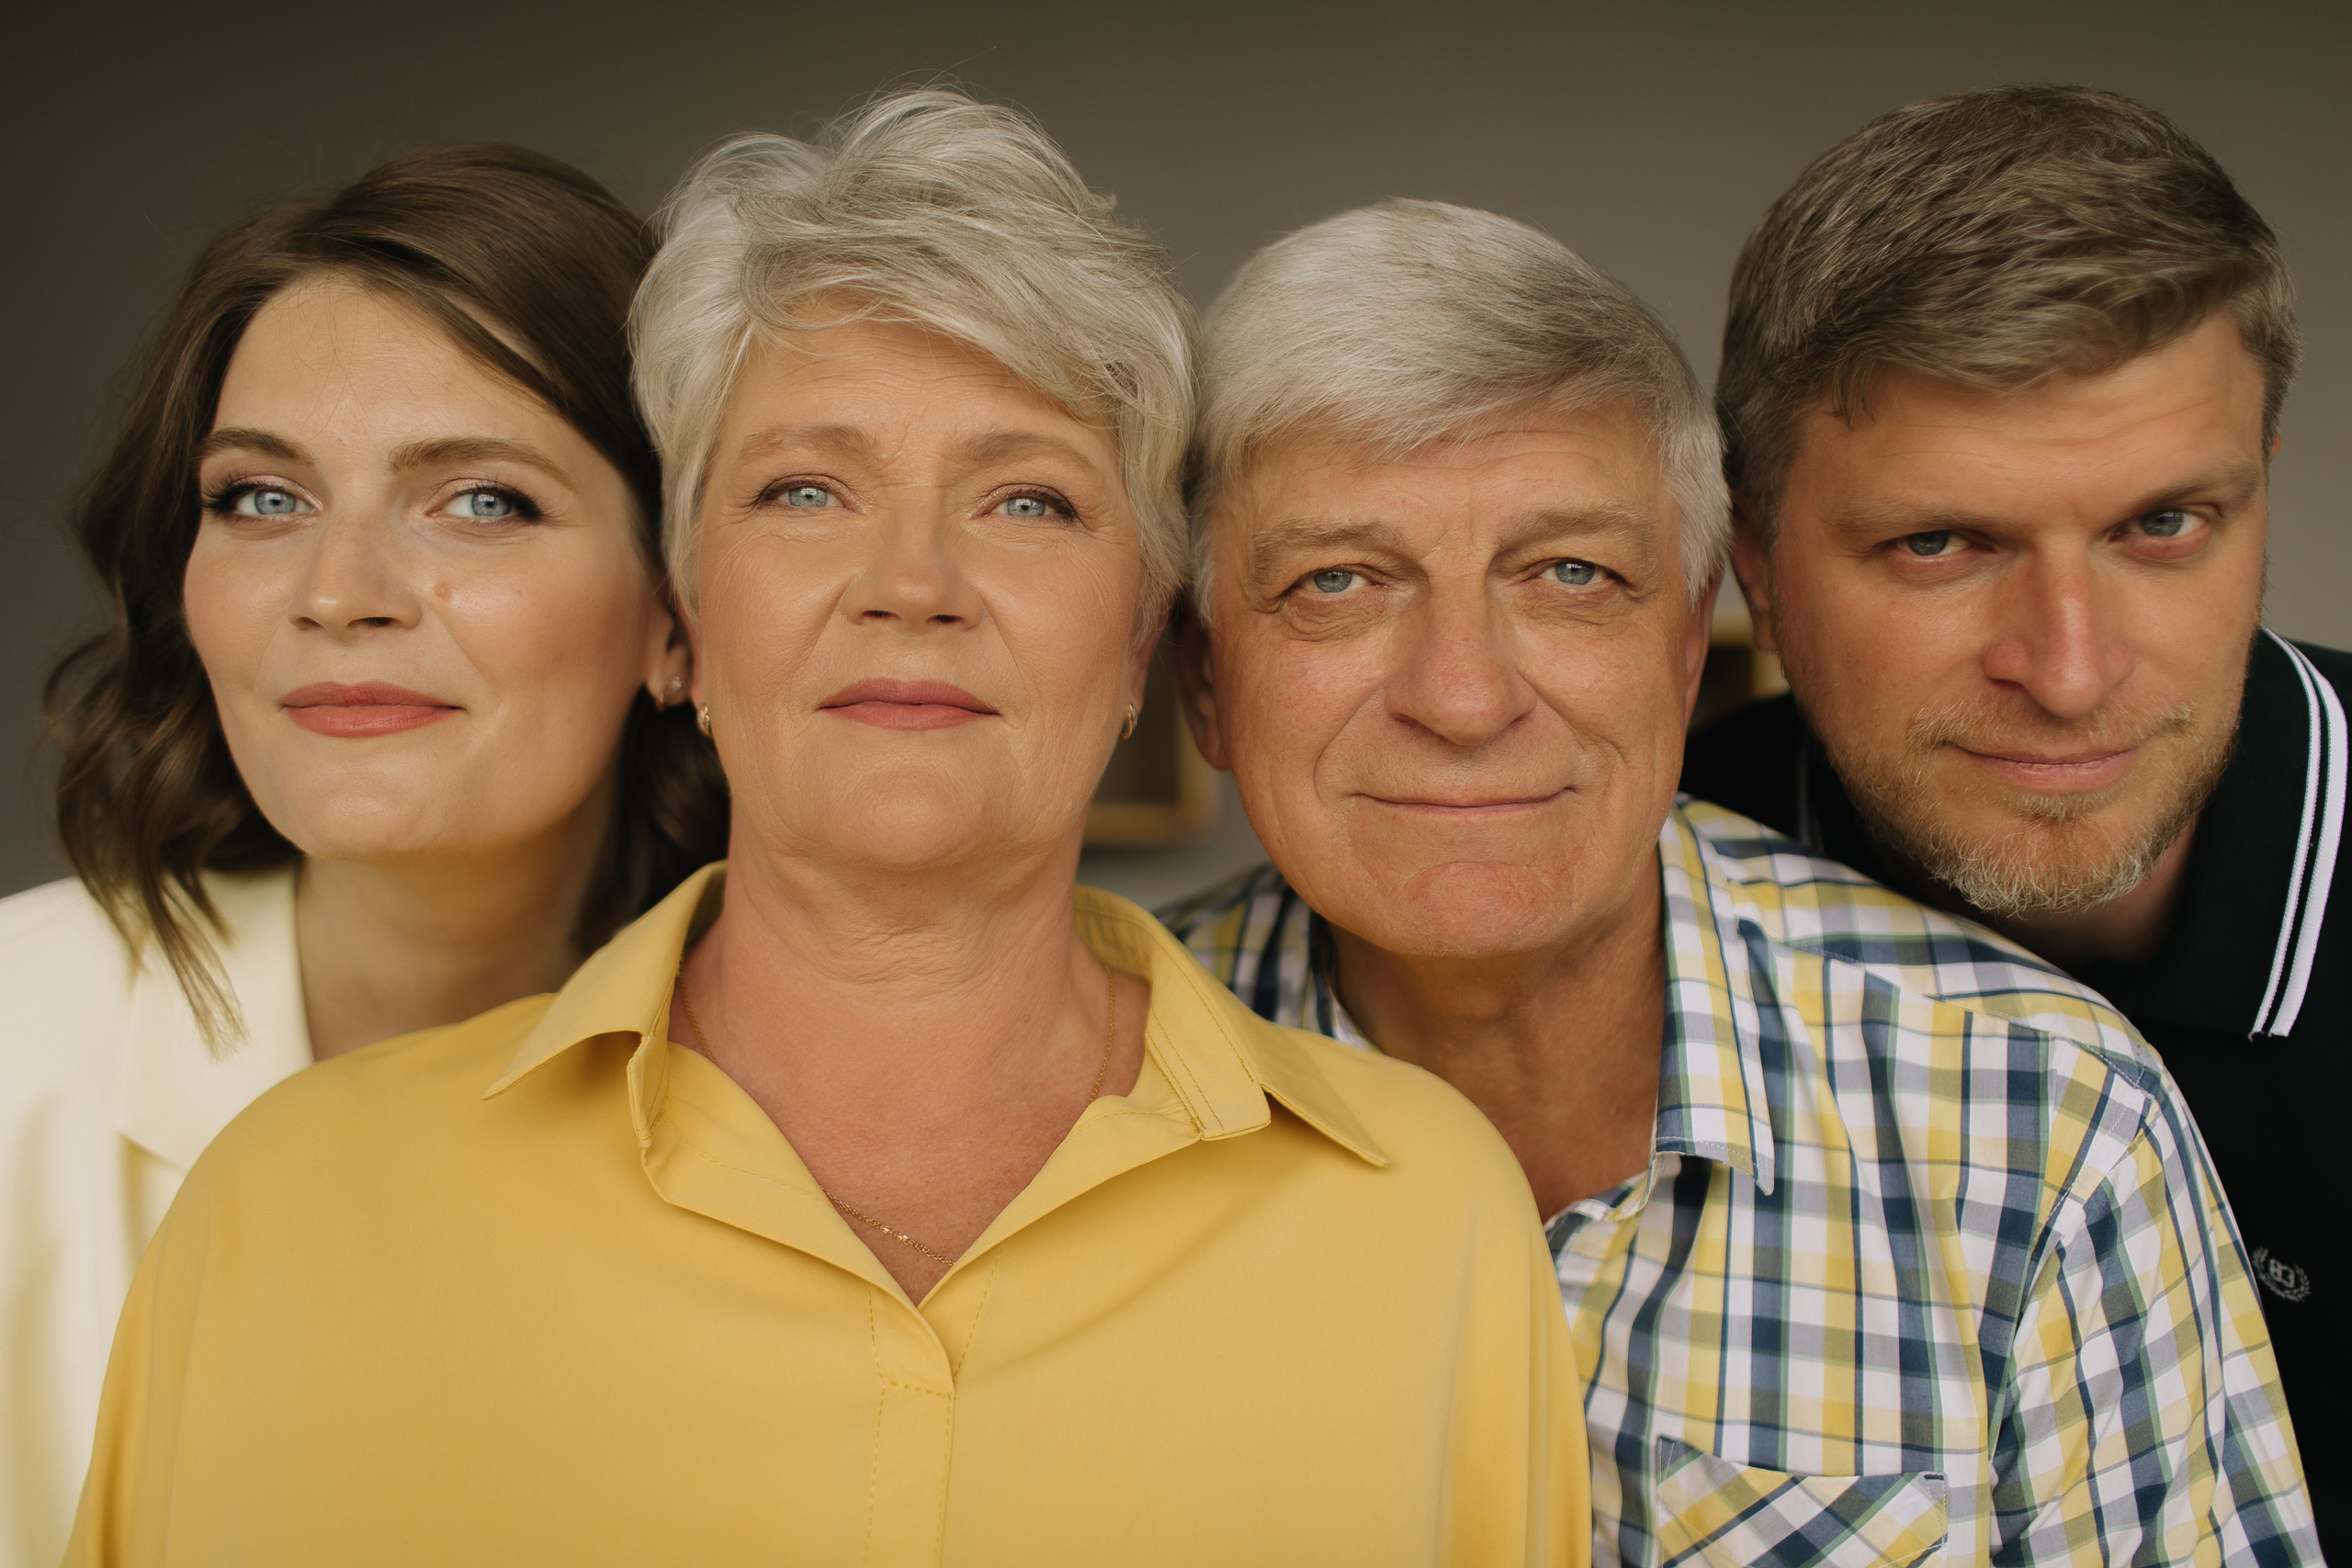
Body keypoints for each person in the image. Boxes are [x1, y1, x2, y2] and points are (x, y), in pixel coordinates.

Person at [66, 91, 1586, 1566]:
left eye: (1029, 503)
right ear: (682, 628)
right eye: (804, 489)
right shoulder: (286, 1209)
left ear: (1138, 645)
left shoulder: (1428, 1218)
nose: (911, 581)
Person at [1159, 197, 2315, 1562]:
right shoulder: (1083, 1082)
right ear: (1207, 683)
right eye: (1338, 583)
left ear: (1690, 651)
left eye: (1571, 572)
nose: (1464, 698)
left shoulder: (2046, 1121)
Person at [0, 145, 726, 1568]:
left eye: (481, 501)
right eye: (262, 499)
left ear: (679, 612)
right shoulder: (13, 1041)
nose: (338, 595)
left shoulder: (837, 1114)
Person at [1679, 85, 2344, 1549]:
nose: (2069, 668)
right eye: (1939, 543)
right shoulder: (1632, 888)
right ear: (1755, 566)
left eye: (2163, 525)